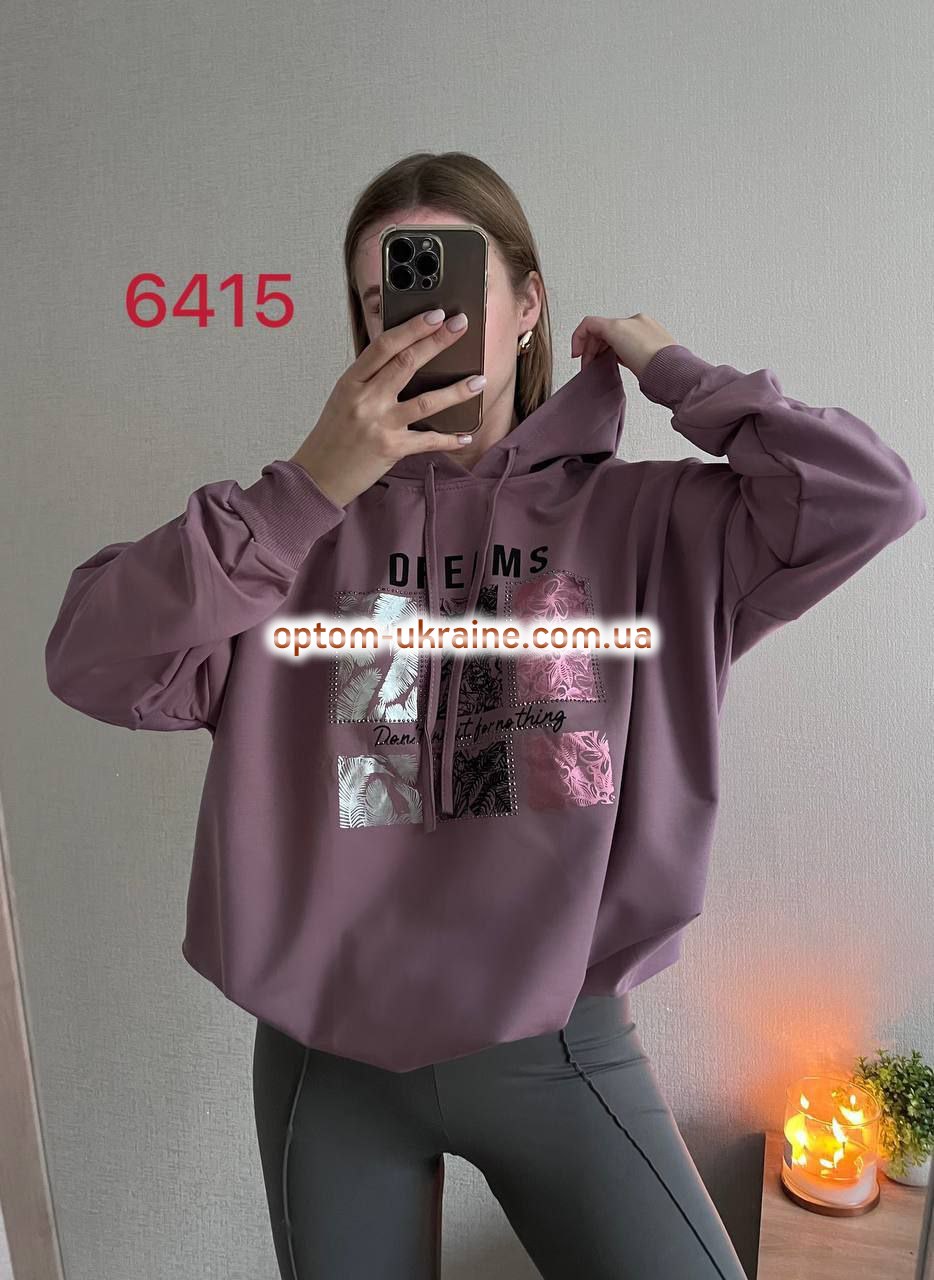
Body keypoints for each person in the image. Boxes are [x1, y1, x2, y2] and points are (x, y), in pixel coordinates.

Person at [45, 151, 926, 1279]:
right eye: (385, 301)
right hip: (328, 1056)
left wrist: (673, 370)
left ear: (529, 303)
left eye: (450, 287)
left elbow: (867, 496)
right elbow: (90, 657)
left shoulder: (651, 523)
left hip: (558, 1041)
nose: (420, 324)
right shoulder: (281, 539)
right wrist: (307, 488)